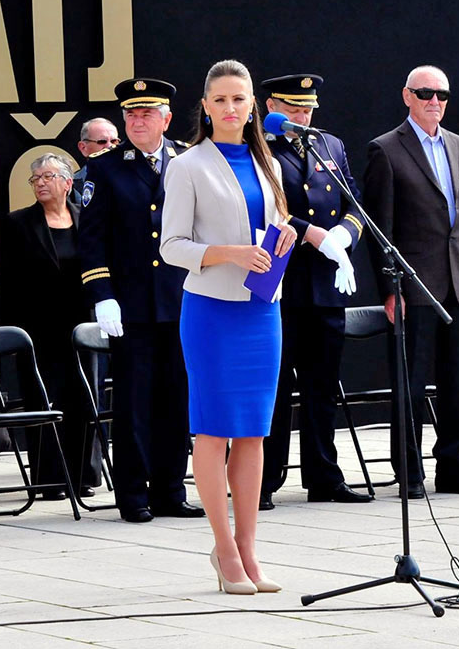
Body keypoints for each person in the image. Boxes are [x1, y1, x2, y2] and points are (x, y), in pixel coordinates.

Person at [161, 59, 295, 594]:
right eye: (220, 100)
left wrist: (281, 239)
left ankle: (249, 550)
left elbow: (274, 224)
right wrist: (229, 253)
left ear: (252, 107)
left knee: (254, 433)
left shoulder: (270, 165)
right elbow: (172, 247)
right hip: (213, 311)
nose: (231, 108)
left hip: (263, 310)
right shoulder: (188, 165)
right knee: (214, 429)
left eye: (240, 100)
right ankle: (223, 551)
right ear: (206, 107)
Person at [363, 65, 459, 498]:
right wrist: (390, 290)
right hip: (415, 285)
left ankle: (455, 469)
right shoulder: (386, 149)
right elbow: (380, 230)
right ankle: (410, 473)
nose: (434, 101)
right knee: (412, 384)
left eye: (441, 94)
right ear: (407, 96)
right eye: (425, 93)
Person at [79, 77, 202, 523]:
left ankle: (171, 489)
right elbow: (91, 240)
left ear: (166, 119)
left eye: (147, 113)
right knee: (134, 402)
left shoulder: (189, 160)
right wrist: (102, 295)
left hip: (183, 299)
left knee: (177, 398)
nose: (137, 121)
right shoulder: (106, 167)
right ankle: (132, 494)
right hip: (130, 305)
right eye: (130, 114)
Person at [258, 74, 371, 510]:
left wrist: (345, 234)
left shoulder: (329, 145)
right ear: (271, 106)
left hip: (326, 283)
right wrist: (315, 235)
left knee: (322, 386)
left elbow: (354, 200)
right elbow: (269, 207)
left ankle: (324, 475)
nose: (302, 116)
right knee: (277, 386)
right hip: (282, 280)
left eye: (308, 109)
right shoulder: (260, 147)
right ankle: (264, 480)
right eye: (294, 108)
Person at [0, 153, 99, 498]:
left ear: (68, 183)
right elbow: (6, 280)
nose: (40, 182)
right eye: (35, 178)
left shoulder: (89, 220)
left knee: (82, 398)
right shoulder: (18, 223)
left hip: (81, 327)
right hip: (38, 328)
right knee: (44, 399)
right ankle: (49, 479)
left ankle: (83, 476)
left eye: (48, 176)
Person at [70, 118, 119, 204]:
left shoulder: (135, 177)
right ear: (83, 147)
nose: (109, 146)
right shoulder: (71, 185)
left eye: (114, 141)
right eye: (102, 141)